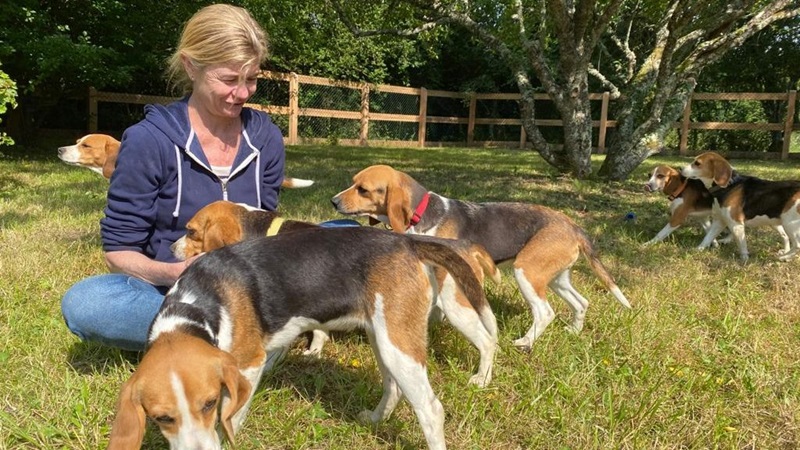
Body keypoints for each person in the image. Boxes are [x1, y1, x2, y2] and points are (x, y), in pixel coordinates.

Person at [61, 4, 284, 351]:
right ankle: (244, 337)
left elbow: (266, 229)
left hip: (250, 288)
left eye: (251, 79)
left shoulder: (265, 137)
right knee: (86, 303)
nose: (242, 93)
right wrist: (176, 273)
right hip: (169, 289)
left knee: (342, 239)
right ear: (190, 66)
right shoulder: (149, 140)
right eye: (228, 79)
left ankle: (205, 336)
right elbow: (119, 251)